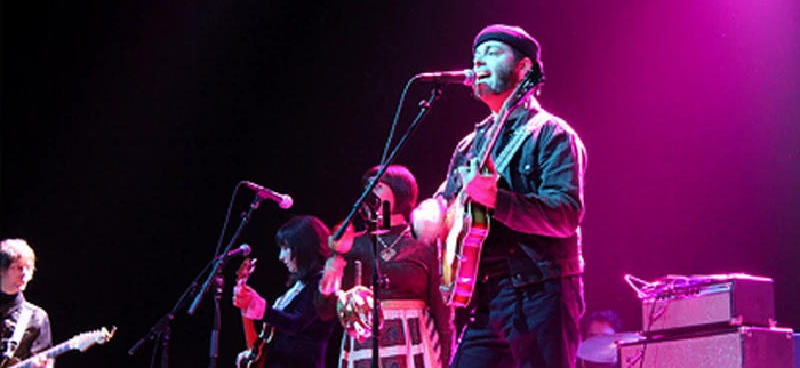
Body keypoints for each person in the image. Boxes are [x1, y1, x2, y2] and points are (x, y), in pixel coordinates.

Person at [413, 24, 587, 368]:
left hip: (541, 292)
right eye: (476, 56)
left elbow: (566, 215)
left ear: (524, 68)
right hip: (486, 297)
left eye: (492, 53)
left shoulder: (551, 133)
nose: (479, 62)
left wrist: (499, 202)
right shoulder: (469, 144)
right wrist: (433, 212)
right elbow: (446, 200)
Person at [319, 164, 454, 368]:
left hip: (416, 343)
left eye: (378, 186)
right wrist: (328, 284)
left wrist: (446, 356)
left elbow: (442, 309)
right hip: (364, 344)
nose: (369, 193)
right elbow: (326, 312)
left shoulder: (423, 244)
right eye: (367, 187)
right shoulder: (353, 245)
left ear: (400, 192)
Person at [232, 215, 337, 368]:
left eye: (286, 248)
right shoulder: (296, 290)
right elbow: (260, 347)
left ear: (304, 247)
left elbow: (296, 323)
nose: (281, 257)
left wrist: (261, 309)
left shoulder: (323, 285)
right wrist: (246, 306)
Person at [1, 238, 53, 368]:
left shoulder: (37, 317)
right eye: (18, 268)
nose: (24, 274)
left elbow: (45, 361)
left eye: (28, 268)